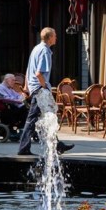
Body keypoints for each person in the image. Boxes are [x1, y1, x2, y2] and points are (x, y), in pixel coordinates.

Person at [18, 27, 73, 157]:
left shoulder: (36, 48)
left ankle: (57, 146)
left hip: (35, 88)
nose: (56, 37)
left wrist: (26, 88)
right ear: (49, 38)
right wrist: (45, 88)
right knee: (33, 119)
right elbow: (38, 73)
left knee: (48, 117)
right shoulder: (45, 51)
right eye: (55, 35)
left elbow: (29, 70)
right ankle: (23, 148)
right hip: (40, 89)